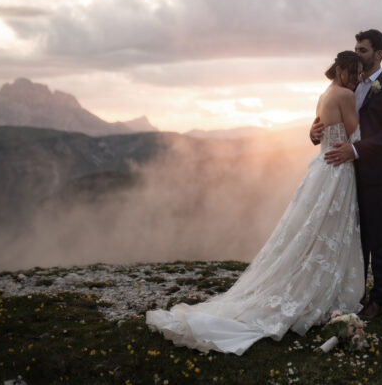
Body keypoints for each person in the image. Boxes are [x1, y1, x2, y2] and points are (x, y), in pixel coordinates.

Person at [146, 51, 365, 355]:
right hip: (338, 170)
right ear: (340, 70)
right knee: (328, 231)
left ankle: (309, 283)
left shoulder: (325, 93)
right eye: (352, 72)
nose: (354, 79)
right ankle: (319, 290)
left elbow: (323, 130)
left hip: (322, 168)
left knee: (315, 232)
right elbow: (356, 133)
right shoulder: (344, 94)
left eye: (357, 74)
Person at [310, 29, 382, 321]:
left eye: (363, 50)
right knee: (354, 238)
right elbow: (331, 122)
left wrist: (355, 151)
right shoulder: (348, 87)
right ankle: (355, 294)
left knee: (377, 237)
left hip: (377, 172)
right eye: (356, 49)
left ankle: (378, 300)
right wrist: (314, 133)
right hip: (347, 175)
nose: (358, 55)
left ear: (379, 54)